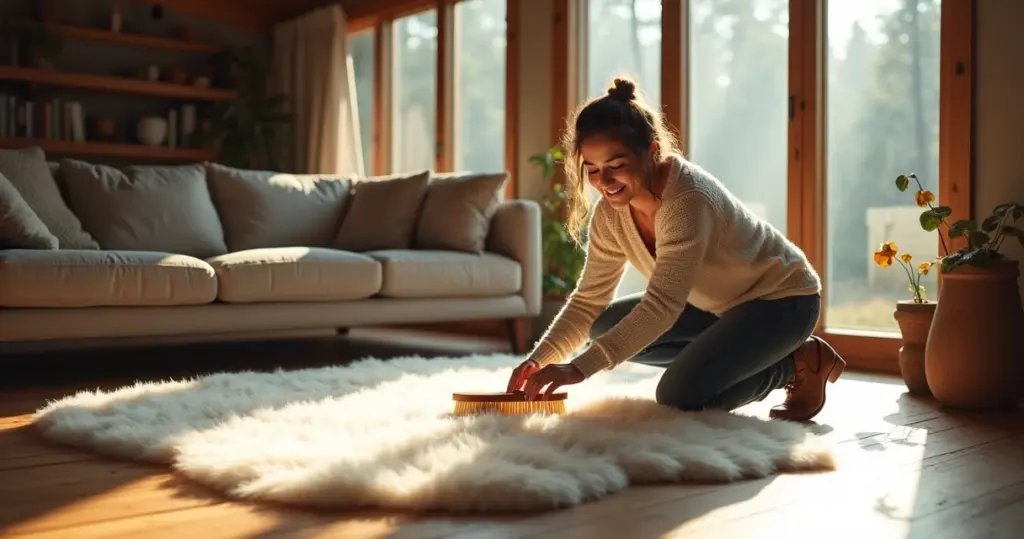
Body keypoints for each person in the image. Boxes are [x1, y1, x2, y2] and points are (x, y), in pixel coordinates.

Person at [506, 77, 846, 422]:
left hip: (782, 302)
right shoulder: (610, 214)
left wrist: (577, 369)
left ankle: (792, 363)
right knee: (602, 325)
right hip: (715, 308)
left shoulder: (688, 200)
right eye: (592, 169)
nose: (603, 182)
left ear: (653, 151)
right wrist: (541, 359)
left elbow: (662, 306)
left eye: (616, 165)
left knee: (679, 396)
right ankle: (737, 354)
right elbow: (588, 300)